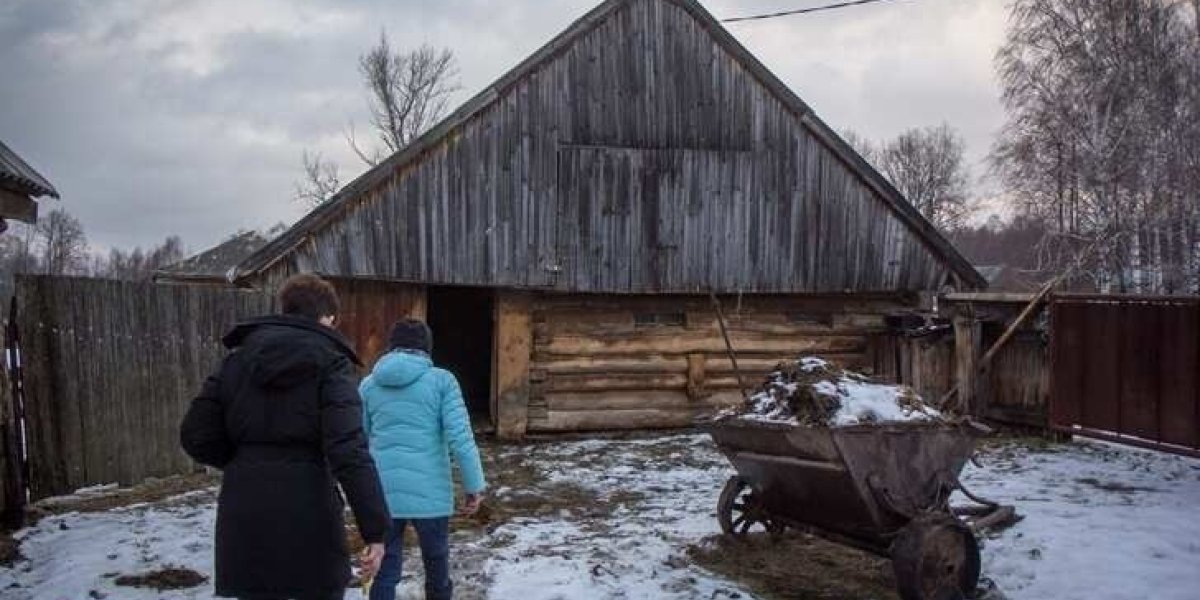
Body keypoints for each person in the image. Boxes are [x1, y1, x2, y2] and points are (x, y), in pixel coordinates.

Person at [180, 273, 390, 600]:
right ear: (328, 318)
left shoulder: (236, 363)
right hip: (310, 513)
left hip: (246, 513)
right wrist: (375, 531)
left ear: (286, 310)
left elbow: (196, 435)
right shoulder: (332, 366)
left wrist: (245, 462)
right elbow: (348, 450)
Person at [360, 318, 486, 600]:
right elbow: (461, 439)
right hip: (431, 494)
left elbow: (357, 440)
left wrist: (358, 491)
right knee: (436, 565)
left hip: (383, 494)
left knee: (384, 571)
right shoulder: (443, 381)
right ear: (427, 348)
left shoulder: (369, 385)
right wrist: (473, 485)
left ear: (391, 347)